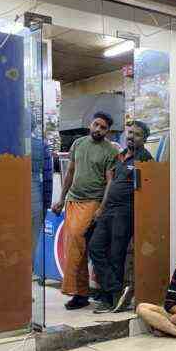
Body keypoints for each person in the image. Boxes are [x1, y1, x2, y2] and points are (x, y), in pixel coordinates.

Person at [52, 112, 119, 310]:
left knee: (77, 244)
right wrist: (61, 199)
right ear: (90, 124)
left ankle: (82, 293)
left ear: (108, 131)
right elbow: (70, 172)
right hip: (73, 200)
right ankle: (80, 294)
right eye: (96, 125)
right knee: (74, 248)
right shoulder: (78, 143)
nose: (98, 129)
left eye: (103, 127)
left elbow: (110, 183)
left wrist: (101, 208)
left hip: (92, 203)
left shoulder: (110, 151)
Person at [88, 121, 153, 313]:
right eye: (130, 132)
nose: (132, 136)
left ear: (145, 139)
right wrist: (102, 207)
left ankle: (112, 300)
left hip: (126, 211)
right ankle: (116, 290)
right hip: (108, 209)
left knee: (116, 255)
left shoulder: (146, 159)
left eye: (137, 134)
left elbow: (147, 191)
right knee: (95, 247)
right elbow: (113, 183)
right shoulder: (121, 155)